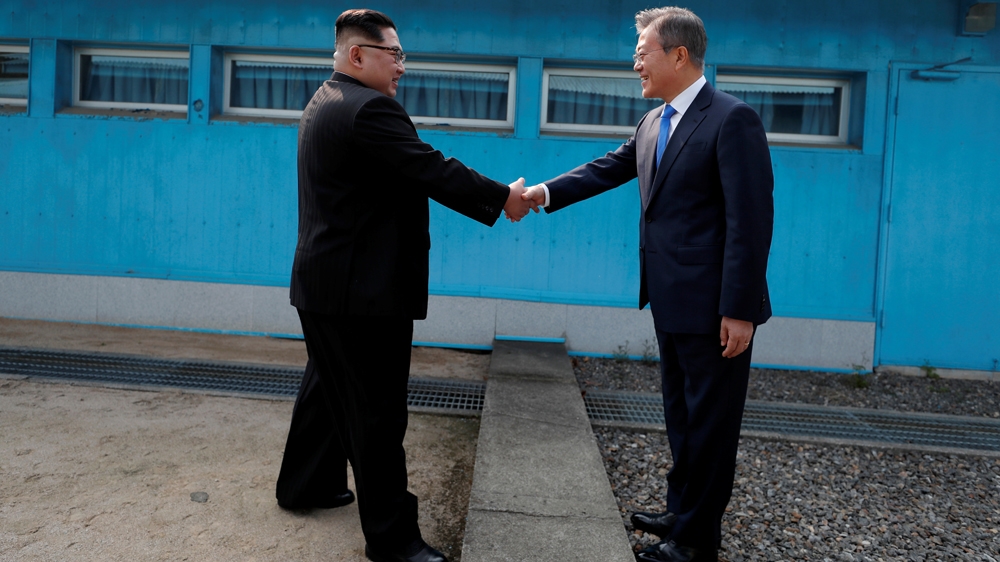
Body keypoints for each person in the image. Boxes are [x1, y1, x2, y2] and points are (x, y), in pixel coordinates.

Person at [275, 9, 533, 562]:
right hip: (362, 294)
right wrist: (502, 197)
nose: (401, 68)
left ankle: (305, 485)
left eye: (402, 56)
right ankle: (393, 541)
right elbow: (432, 168)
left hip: (324, 284)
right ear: (357, 55)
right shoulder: (370, 110)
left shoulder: (326, 99)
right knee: (376, 413)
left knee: (327, 389)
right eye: (393, 55)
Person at [521, 7, 773, 562]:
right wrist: (540, 192)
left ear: (678, 55)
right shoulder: (653, 121)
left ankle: (696, 544)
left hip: (715, 309)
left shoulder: (732, 119)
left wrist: (741, 309)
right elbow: (608, 168)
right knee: (682, 416)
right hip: (670, 300)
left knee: (711, 425)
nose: (635, 61)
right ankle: (681, 514)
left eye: (643, 51)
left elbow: (750, 223)